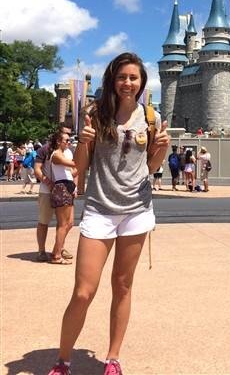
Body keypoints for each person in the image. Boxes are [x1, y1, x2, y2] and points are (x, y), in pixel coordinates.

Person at [47, 52, 170, 375]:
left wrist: (162, 149)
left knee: (123, 285)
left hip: (136, 210)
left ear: (142, 82)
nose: (128, 83)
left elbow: (150, 168)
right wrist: (83, 142)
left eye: (133, 77)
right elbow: (80, 169)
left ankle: (113, 358)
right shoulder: (95, 114)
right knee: (83, 292)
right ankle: (63, 360)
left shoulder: (151, 117)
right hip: (100, 210)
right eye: (122, 77)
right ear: (112, 80)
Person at [34, 124, 73, 263]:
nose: (69, 138)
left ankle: (59, 248)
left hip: (63, 188)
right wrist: (47, 182)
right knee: (44, 221)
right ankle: (41, 251)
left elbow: (70, 171)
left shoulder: (68, 151)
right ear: (59, 135)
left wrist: (74, 187)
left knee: (66, 223)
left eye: (70, 135)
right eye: (66, 134)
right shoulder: (45, 149)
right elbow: (37, 169)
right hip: (47, 190)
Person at [49, 131, 78, 265]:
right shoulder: (56, 155)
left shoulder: (64, 155)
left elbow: (73, 172)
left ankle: (57, 250)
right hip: (61, 187)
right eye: (66, 140)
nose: (69, 143)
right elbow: (74, 164)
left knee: (70, 223)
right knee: (63, 224)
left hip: (68, 186)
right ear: (58, 142)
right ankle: (56, 255)